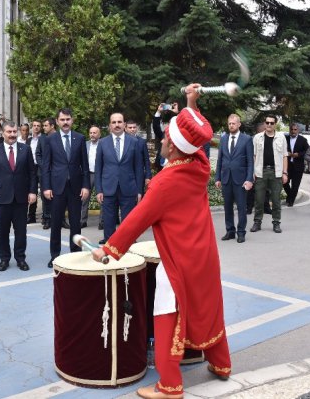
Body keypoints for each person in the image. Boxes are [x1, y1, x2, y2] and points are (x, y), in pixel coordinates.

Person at [92, 84, 231, 399]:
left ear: (173, 144)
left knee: (166, 310)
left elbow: (135, 221)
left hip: (178, 260)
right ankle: (221, 364)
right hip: (204, 255)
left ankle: (169, 385)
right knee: (209, 307)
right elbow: (196, 137)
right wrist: (191, 103)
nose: (162, 140)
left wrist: (106, 250)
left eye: (166, 137)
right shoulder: (199, 167)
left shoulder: (164, 183)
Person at [41, 108, 90, 268]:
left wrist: (86, 186)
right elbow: (46, 166)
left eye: (68, 119)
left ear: (72, 120)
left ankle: (75, 254)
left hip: (75, 188)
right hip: (56, 188)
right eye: (62, 120)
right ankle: (54, 255)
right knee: (55, 223)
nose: (65, 122)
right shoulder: (50, 139)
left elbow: (85, 165)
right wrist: (46, 187)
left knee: (76, 224)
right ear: (57, 121)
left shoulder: (80, 138)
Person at [0, 121, 37, 271]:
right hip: (2, 198)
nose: (13, 134)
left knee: (21, 231)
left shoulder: (26, 150)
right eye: (9, 132)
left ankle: (20, 258)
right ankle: (4, 259)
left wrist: (32, 191)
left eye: (15, 131)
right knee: (3, 231)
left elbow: (32, 173)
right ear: (3, 133)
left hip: (21, 198)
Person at [95, 113, 143, 243]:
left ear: (124, 124)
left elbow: (138, 168)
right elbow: (98, 168)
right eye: (114, 122)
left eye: (119, 122)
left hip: (129, 188)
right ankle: (110, 248)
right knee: (109, 221)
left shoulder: (134, 142)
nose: (117, 125)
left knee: (128, 222)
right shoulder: (103, 143)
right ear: (110, 125)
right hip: (108, 189)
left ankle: (128, 248)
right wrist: (99, 190)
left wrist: (139, 191)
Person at [215, 114, 254, 243]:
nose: (231, 125)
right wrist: (217, 178)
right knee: (227, 207)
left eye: (233, 123)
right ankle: (230, 231)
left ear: (239, 124)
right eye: (229, 123)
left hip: (241, 180)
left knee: (242, 207)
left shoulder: (247, 139)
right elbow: (220, 159)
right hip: (226, 179)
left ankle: (241, 232)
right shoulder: (224, 139)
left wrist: (249, 179)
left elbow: (250, 162)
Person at [251, 114, 288, 233]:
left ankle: (276, 223)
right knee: (259, 200)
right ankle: (257, 222)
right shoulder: (257, 138)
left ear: (275, 124)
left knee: (276, 200)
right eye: (267, 122)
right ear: (264, 123)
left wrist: (285, 172)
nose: (269, 125)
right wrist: (253, 171)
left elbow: (284, 156)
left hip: (276, 172)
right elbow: (254, 156)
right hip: (261, 172)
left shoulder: (281, 137)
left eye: (272, 123)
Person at [284, 123, 309, 207]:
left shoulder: (303, 140)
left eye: (295, 130)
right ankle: (290, 194)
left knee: (295, 185)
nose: (293, 131)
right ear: (289, 130)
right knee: (284, 182)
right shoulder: (285, 138)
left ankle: (291, 201)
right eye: (292, 129)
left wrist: (298, 154)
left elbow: (307, 151)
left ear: (298, 130)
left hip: (298, 166)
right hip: (287, 165)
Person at [80, 125, 100, 229]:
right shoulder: (85, 144)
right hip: (88, 175)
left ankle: (102, 222)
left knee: (102, 199)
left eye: (94, 133)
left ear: (99, 134)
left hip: (100, 175)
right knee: (84, 198)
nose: (92, 135)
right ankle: (82, 221)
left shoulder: (103, 144)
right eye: (91, 133)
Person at [125, 119, 152, 192]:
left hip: (139, 177)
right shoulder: (121, 142)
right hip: (125, 176)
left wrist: (148, 176)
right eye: (130, 128)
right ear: (125, 129)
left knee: (139, 198)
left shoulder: (142, 142)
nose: (132, 129)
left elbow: (146, 160)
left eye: (134, 127)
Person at [26, 120, 42, 224]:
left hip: (40, 167)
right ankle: (31, 216)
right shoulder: (28, 140)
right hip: (30, 168)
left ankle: (46, 217)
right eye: (34, 126)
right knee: (32, 191)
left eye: (38, 126)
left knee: (45, 190)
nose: (36, 127)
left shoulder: (44, 139)